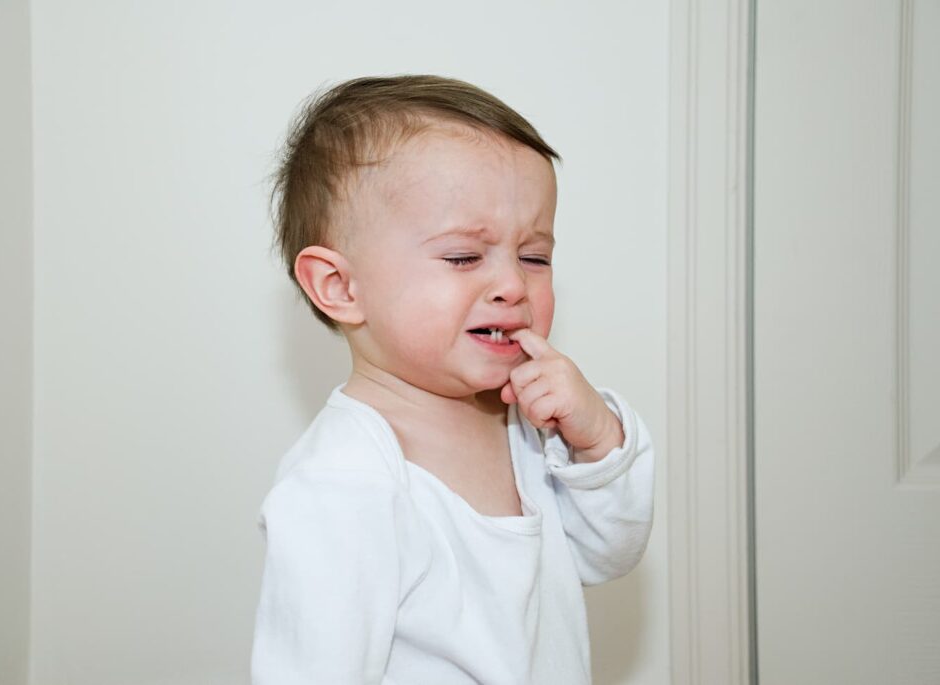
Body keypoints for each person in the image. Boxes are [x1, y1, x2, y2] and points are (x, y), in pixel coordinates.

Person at [250, 74, 656, 685]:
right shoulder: (343, 482)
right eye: (464, 256)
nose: (513, 284)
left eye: (534, 256)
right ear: (340, 287)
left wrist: (597, 441)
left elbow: (608, 555)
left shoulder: (531, 427)